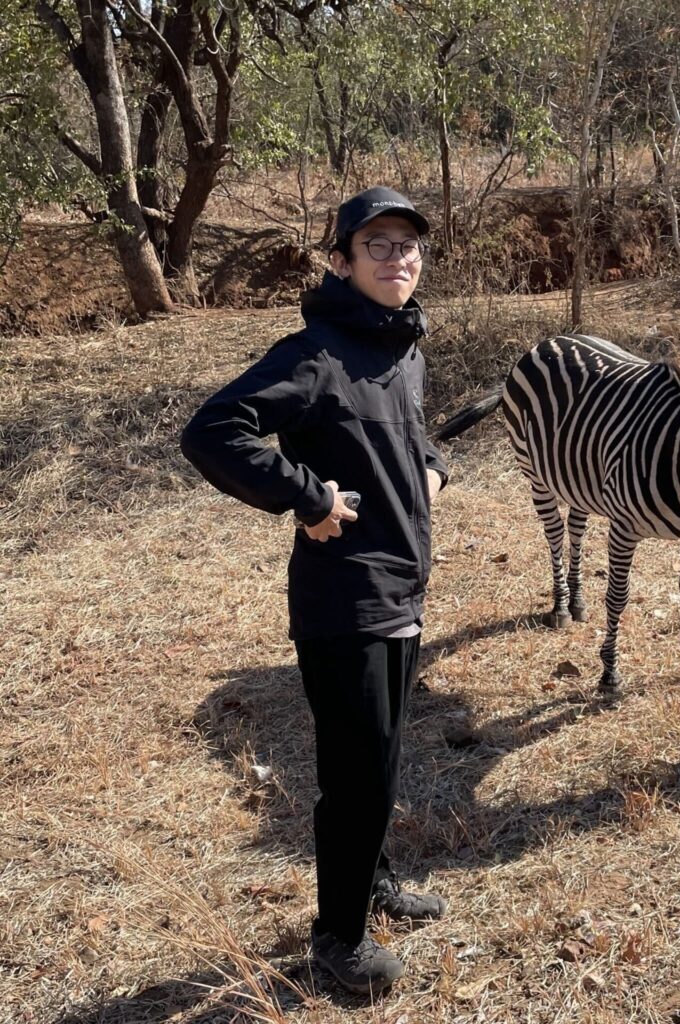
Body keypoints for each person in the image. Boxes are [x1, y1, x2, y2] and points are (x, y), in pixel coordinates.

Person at [180, 187, 450, 996]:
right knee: (357, 775)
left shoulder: (404, 350)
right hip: (344, 602)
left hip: (403, 589)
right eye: (378, 245)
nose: (397, 258)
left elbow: (412, 438)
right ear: (341, 261)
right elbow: (213, 430)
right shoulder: (316, 354)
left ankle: (374, 881)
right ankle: (338, 941)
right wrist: (306, 496)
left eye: (408, 245)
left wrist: (432, 470)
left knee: (384, 757)